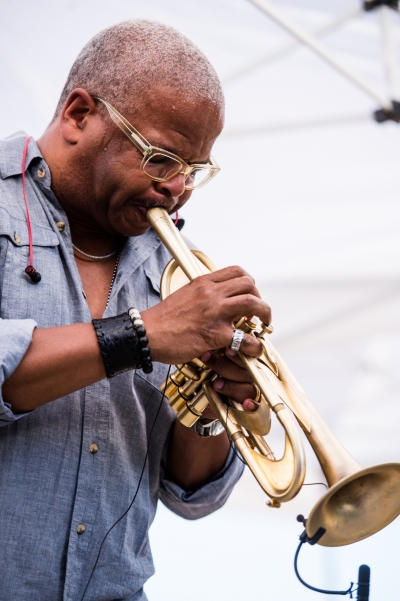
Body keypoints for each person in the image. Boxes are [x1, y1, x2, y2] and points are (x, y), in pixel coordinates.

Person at [0, 20, 272, 601]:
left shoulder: (176, 273)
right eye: (160, 158)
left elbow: (190, 494)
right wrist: (145, 333)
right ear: (78, 114)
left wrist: (213, 406)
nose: (177, 188)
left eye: (194, 170)